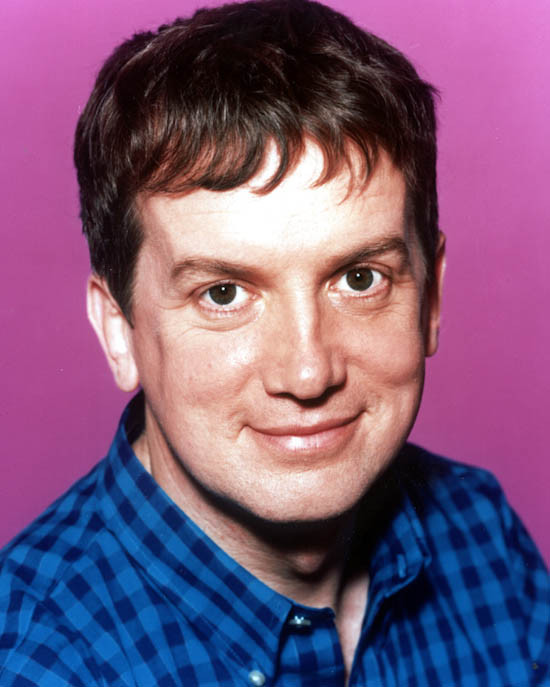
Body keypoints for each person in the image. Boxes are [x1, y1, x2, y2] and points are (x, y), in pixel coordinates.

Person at [0, 0, 548, 684]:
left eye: (359, 278)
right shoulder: (35, 663)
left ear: (430, 296)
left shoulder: (483, 540)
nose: (308, 372)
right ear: (119, 329)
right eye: (223, 293)